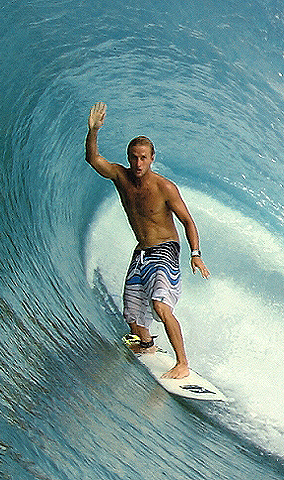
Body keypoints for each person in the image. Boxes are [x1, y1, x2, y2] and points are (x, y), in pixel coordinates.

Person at [85, 102, 210, 379]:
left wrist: (195, 253)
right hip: (142, 252)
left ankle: (182, 363)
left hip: (165, 250)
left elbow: (188, 221)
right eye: (134, 158)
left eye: (143, 158)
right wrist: (93, 131)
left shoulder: (165, 188)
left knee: (160, 305)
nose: (138, 164)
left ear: (152, 158)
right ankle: (146, 344)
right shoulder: (121, 177)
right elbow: (93, 159)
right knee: (132, 314)